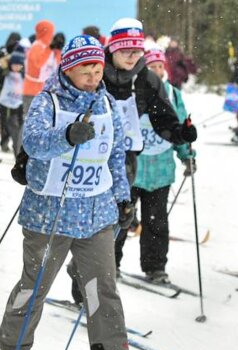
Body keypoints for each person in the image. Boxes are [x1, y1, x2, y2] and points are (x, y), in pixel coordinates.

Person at [0, 34, 136, 350]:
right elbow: (35, 142)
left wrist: (123, 198)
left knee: (102, 289)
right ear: (68, 69)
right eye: (84, 70)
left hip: (96, 212)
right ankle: (12, 346)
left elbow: (116, 154)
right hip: (50, 214)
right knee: (36, 284)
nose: (92, 76)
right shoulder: (49, 101)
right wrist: (68, 135)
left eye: (97, 69)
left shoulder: (107, 103)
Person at [100, 17, 196, 273]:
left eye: (137, 51)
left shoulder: (149, 82)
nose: (132, 56)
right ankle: (102, 270)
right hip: (100, 162)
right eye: (125, 51)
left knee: (149, 221)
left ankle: (153, 267)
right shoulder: (97, 74)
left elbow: (165, 119)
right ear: (112, 48)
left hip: (139, 166)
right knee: (109, 224)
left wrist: (181, 135)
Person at [128, 46, 195, 284]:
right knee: (120, 219)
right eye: (151, 67)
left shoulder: (173, 95)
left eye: (160, 67)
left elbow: (181, 128)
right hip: (132, 170)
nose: (157, 71)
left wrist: (186, 154)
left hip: (161, 170)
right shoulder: (134, 91)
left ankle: (155, 267)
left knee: (156, 222)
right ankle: (109, 264)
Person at [23, 20, 57, 114]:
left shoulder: (46, 47)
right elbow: (37, 65)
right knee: (30, 121)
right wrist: (49, 49)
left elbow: (56, 66)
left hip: (43, 91)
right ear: (45, 32)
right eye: (50, 33)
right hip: (32, 90)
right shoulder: (37, 46)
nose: (52, 36)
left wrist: (57, 50)